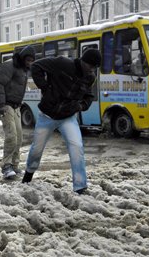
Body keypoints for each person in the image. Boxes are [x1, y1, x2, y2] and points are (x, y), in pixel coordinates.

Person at [22, 48, 102, 194]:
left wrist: (80, 106)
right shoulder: (62, 63)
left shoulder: (90, 77)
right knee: (37, 149)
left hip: (68, 117)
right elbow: (36, 66)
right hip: (47, 114)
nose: (92, 70)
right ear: (83, 61)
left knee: (77, 147)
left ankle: (80, 187)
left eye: (95, 67)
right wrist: (44, 87)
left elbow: (89, 97)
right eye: (90, 66)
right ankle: (28, 175)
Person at [0, 45, 35, 179]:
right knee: (11, 136)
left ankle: (15, 165)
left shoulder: (23, 70)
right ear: (22, 58)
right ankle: (6, 166)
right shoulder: (9, 66)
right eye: (27, 60)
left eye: (31, 61)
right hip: (6, 106)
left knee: (19, 137)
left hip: (16, 107)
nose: (29, 63)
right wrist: (1, 104)